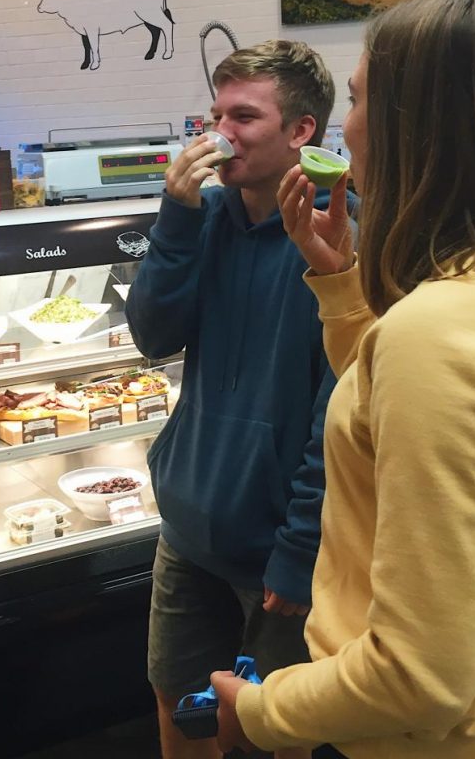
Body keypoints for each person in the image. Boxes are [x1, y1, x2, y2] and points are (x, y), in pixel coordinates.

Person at [210, 0, 475, 759]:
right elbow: (402, 402)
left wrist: (260, 708)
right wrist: (341, 286)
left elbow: (417, 676)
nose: (342, 127)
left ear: (414, 128)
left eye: (355, 100)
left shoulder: (439, 331)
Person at [125, 40, 355, 759]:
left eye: (243, 116)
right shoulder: (207, 218)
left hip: (282, 551)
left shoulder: (340, 234)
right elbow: (153, 336)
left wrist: (300, 548)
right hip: (189, 529)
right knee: (180, 703)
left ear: (301, 132)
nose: (218, 133)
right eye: (214, 113)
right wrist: (177, 216)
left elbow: (340, 409)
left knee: (274, 731)